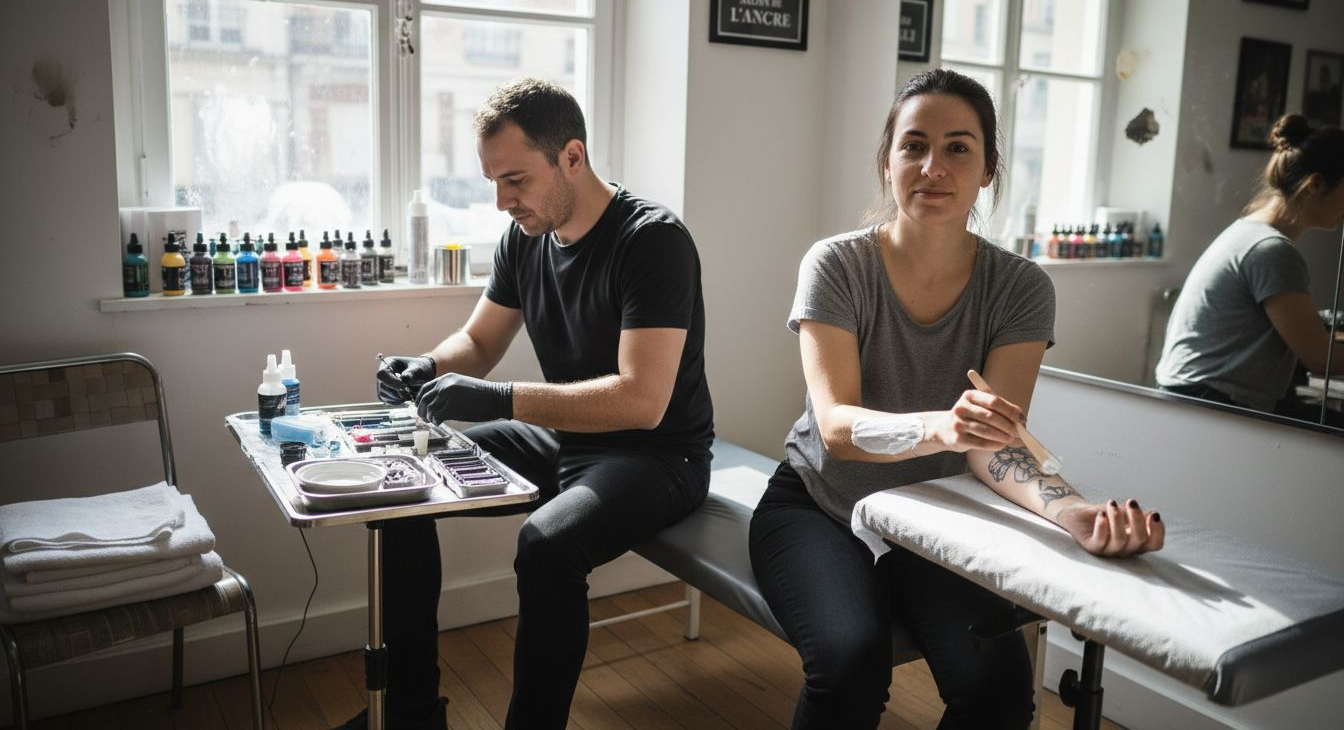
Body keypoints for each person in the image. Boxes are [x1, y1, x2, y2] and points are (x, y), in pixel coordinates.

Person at [748, 68, 1165, 730]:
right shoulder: (836, 265)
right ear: (887, 161)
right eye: (913, 145)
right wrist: (945, 428)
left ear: (989, 169)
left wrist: (1076, 512)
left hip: (934, 520)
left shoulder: (1021, 287)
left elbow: (996, 449)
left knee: (999, 693)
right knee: (852, 663)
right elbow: (836, 428)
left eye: (958, 148)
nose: (932, 166)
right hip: (819, 507)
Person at [352, 78, 714, 730]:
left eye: (514, 179)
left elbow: (642, 400)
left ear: (571, 157)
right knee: (400, 487)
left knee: (547, 546)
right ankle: (410, 713)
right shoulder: (526, 236)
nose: (500, 201)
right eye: (493, 181)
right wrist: (430, 365)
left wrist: (496, 399)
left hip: (660, 457)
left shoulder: (652, 241)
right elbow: (481, 341)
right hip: (569, 440)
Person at [1156, 114, 1344, 415]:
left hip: (1191, 398)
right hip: (1208, 403)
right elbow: (1320, 357)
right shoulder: (1273, 250)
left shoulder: (1248, 231)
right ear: (1315, 185)